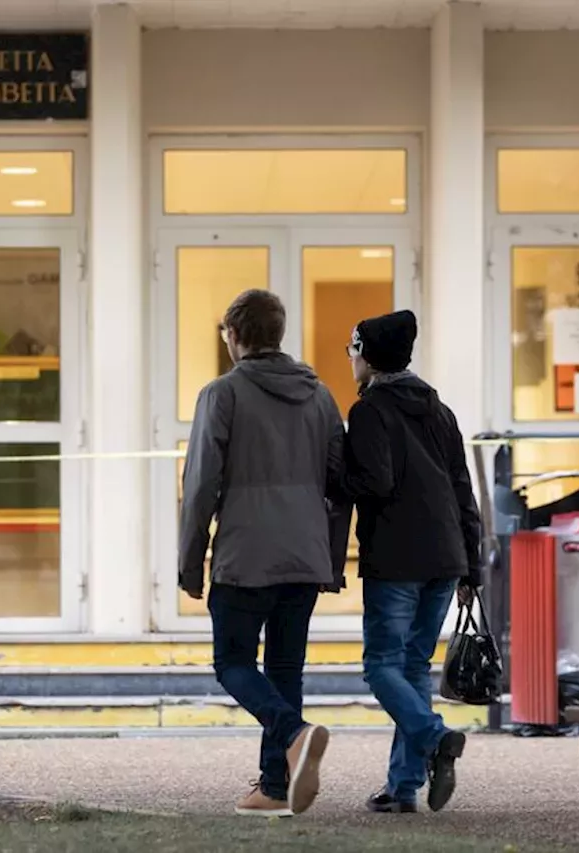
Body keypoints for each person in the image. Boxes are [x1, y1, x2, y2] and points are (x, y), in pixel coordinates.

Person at [178, 289, 349, 818]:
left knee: (231, 662)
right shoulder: (320, 397)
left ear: (234, 334)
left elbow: (202, 482)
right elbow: (341, 485)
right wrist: (333, 559)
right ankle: (275, 787)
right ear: (279, 332)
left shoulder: (222, 394)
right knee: (284, 669)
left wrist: (190, 559)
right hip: (304, 553)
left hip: (246, 554)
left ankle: (293, 734)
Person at [342, 309, 483, 815]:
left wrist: (332, 481)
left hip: (397, 558)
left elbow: (374, 483)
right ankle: (402, 789)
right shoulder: (439, 410)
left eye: (352, 349)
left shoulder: (369, 410)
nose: (350, 359)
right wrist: (473, 564)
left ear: (369, 356)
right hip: (445, 556)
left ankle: (435, 737)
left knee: (381, 667)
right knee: (412, 666)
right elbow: (462, 487)